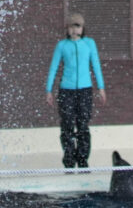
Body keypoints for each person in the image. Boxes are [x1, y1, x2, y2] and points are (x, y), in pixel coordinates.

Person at [45, 13, 106, 169]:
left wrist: (101, 87)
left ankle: (83, 158)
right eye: (71, 26)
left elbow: (96, 66)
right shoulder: (62, 45)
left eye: (77, 26)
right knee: (67, 125)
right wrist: (49, 90)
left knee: (83, 124)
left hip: (85, 90)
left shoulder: (89, 44)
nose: (74, 30)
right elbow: (53, 68)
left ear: (82, 28)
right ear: (67, 28)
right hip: (67, 91)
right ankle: (69, 159)